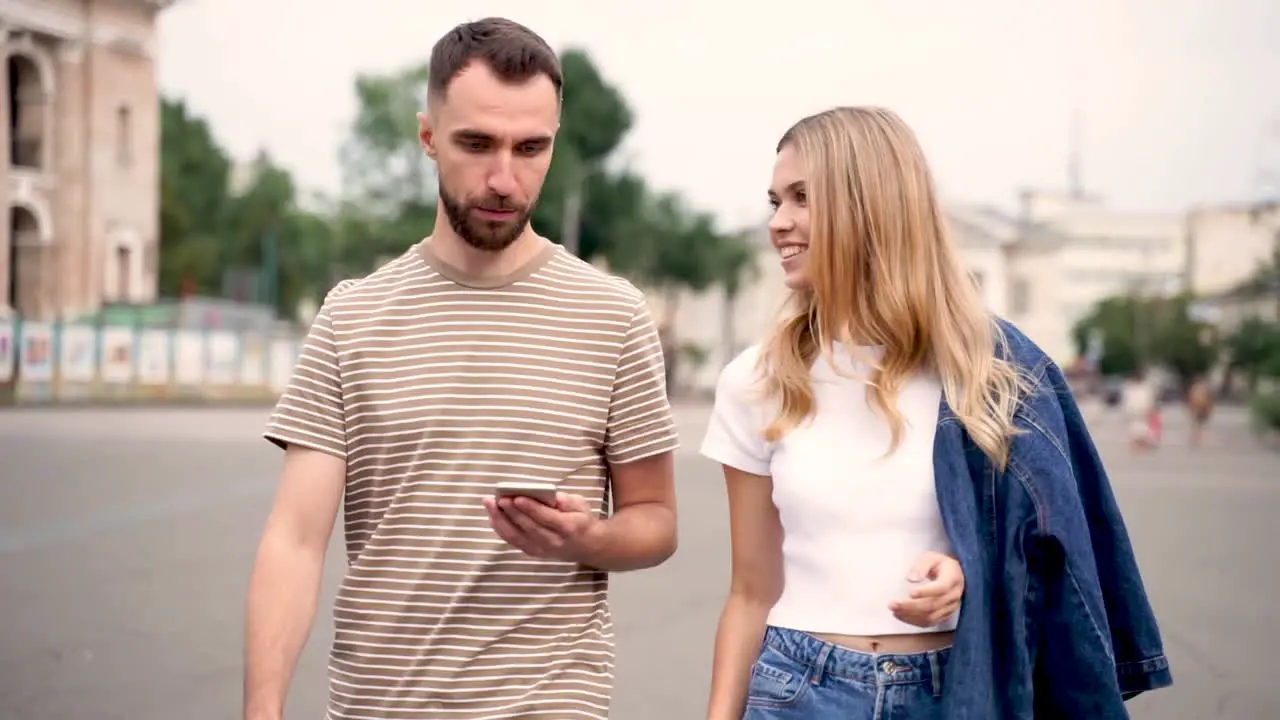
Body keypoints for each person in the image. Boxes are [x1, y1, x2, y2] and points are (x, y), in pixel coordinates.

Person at [242, 18, 680, 720]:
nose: (504, 178)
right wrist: (261, 710)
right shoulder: (352, 318)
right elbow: (294, 540)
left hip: (551, 700)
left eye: (530, 148)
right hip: (381, 704)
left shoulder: (614, 315)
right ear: (427, 137)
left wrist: (587, 537)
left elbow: (655, 520)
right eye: (476, 144)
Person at [701, 107, 1171, 719]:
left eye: (801, 199)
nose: (778, 223)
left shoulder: (996, 374)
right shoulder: (755, 380)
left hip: (956, 691)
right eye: (774, 201)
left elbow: (1049, 564)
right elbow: (749, 591)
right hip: (798, 692)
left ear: (870, 209)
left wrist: (966, 577)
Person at [1121, 368, 1159, 452]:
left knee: (1141, 430)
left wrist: (1150, 408)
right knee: (1136, 430)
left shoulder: (1145, 387)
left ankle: (1140, 446)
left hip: (1141, 412)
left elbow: (1149, 399)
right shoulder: (1130, 387)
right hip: (1135, 412)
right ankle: (1137, 446)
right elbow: (1126, 399)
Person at [1186, 374, 1214, 448]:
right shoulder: (1203, 388)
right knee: (1199, 423)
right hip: (1201, 406)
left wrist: (1190, 406)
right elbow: (1207, 398)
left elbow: (1191, 397)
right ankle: (1198, 437)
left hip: (1198, 406)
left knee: (1197, 423)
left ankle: (1196, 437)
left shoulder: (1195, 388)